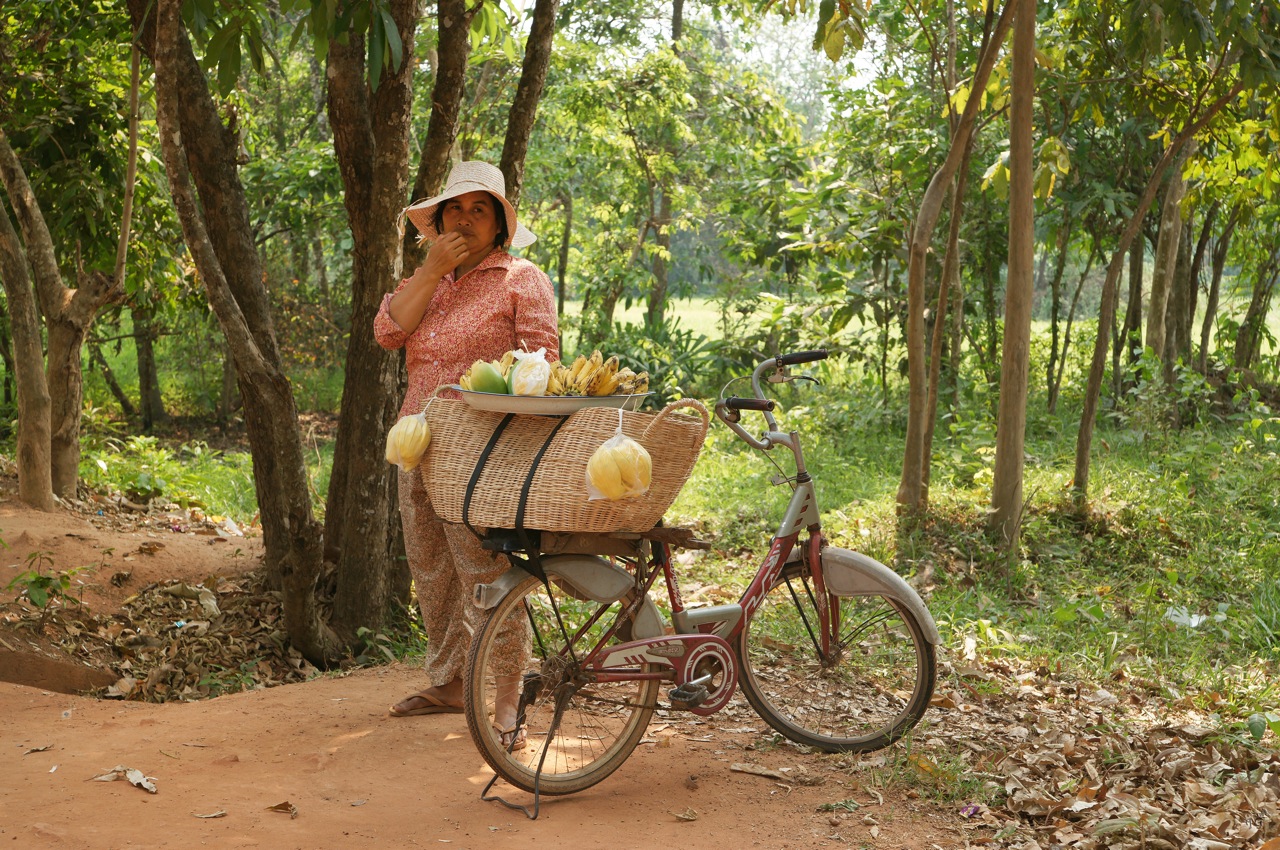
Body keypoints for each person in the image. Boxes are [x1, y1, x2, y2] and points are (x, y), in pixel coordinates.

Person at [373, 161, 558, 750]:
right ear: (438, 222)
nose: (466, 219)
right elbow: (387, 333)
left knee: (487, 570)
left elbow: (542, 365)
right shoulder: (428, 278)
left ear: (501, 224)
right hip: (417, 444)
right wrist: (431, 270)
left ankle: (508, 695)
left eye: (481, 210)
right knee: (430, 568)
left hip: (485, 451)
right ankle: (452, 681)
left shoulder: (520, 279)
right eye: (456, 209)